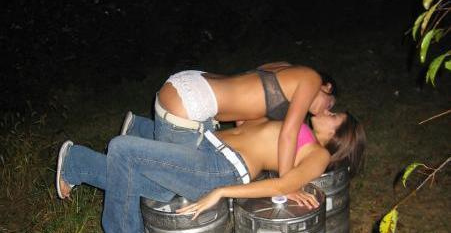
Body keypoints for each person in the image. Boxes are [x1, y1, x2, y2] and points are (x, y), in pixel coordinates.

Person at [56, 109, 365, 233]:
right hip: (210, 145)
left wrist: (221, 191)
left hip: (221, 168)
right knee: (152, 188)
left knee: (123, 151)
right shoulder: (298, 124)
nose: (328, 111)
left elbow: (283, 185)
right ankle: (80, 161)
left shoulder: (319, 154)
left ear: (337, 135)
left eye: (334, 116)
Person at [123, 62, 336, 180]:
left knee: (180, 163)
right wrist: (287, 182)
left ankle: (139, 128)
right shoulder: (311, 78)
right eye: (330, 105)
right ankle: (133, 143)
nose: (326, 110)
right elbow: (289, 133)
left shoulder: (285, 69)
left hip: (196, 82)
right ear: (327, 87)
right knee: (169, 183)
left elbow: (244, 112)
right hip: (194, 100)